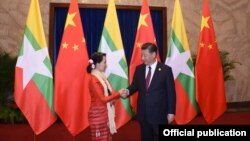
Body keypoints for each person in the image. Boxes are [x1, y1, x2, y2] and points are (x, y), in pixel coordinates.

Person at [121, 42, 176, 141]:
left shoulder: (165, 70)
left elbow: (171, 93)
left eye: (145, 55)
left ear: (154, 55)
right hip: (143, 114)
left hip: (159, 114)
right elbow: (135, 85)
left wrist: (171, 112)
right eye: (142, 55)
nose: (142, 58)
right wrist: (127, 91)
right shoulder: (139, 69)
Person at [87, 52, 123, 141]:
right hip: (98, 115)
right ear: (97, 64)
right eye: (104, 62)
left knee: (108, 138)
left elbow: (112, 93)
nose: (106, 65)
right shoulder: (94, 79)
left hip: (106, 113)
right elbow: (103, 99)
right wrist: (118, 93)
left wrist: (121, 93)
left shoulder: (103, 77)